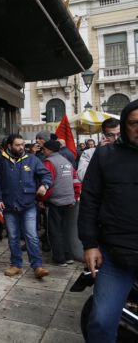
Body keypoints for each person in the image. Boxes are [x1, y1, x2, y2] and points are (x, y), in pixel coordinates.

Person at [79, 100, 138, 342]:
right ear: (125, 126)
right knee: (101, 321)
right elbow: (89, 201)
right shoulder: (105, 156)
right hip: (115, 255)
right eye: (135, 123)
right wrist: (90, 244)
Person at [0, 134, 52, 278]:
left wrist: (44, 185)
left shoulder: (32, 159)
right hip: (9, 206)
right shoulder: (0, 160)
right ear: (10, 146)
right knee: (13, 236)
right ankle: (16, 265)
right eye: (17, 145)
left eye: (22, 144)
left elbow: (46, 175)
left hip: (28, 204)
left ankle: (37, 266)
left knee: (32, 236)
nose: (21, 147)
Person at [36, 140, 80, 267]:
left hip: (55, 201)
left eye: (43, 149)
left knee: (54, 231)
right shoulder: (67, 162)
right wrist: (75, 197)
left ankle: (60, 259)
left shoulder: (49, 162)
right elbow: (76, 181)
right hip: (69, 201)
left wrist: (41, 200)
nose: (42, 151)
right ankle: (68, 256)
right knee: (65, 230)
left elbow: (47, 184)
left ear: (49, 150)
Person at [77, 118, 121, 182]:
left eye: (119, 134)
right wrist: (98, 154)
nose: (116, 138)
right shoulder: (89, 153)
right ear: (103, 135)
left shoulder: (129, 151)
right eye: (110, 135)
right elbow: (82, 176)